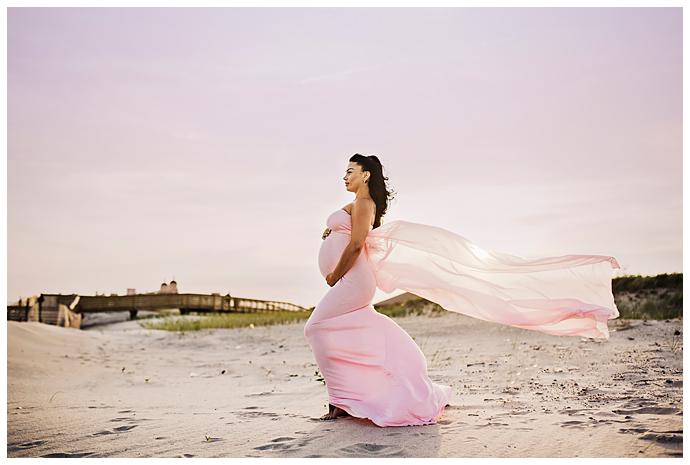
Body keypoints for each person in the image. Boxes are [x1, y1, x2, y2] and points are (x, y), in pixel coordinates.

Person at [304, 154, 620, 427]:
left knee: (316, 327)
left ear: (365, 175)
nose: (344, 176)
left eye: (350, 171)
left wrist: (334, 274)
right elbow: (348, 229)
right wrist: (332, 228)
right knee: (341, 328)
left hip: (352, 280)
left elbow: (358, 243)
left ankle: (342, 401)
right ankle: (357, 393)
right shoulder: (356, 203)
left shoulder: (364, 202)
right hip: (352, 280)